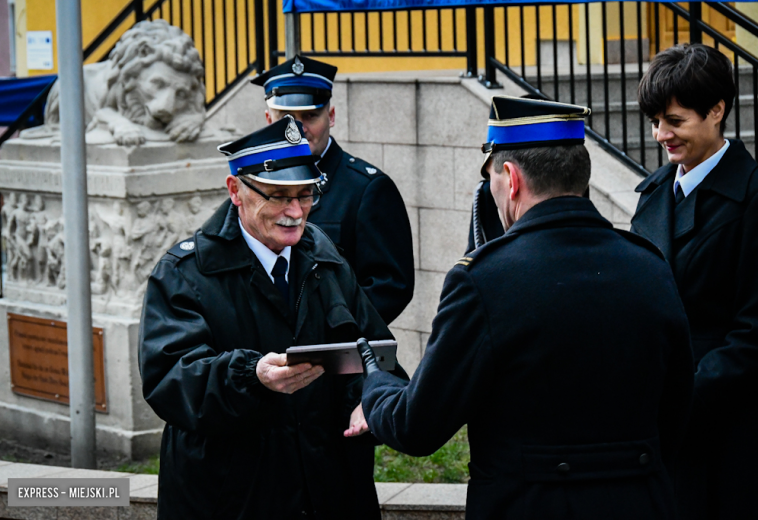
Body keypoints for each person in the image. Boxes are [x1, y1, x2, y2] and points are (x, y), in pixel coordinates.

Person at [352, 96, 695, 520]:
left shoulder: (483, 279)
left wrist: (375, 388)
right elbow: (678, 407)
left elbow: (416, 427)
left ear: (511, 179)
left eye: (491, 180)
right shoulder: (649, 264)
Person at [138, 116, 397, 519]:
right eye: (278, 196)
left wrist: (371, 398)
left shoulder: (325, 258)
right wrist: (250, 376)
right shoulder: (184, 272)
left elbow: (375, 351)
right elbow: (169, 379)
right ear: (235, 191)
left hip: (330, 491)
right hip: (233, 498)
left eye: (306, 194)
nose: (295, 211)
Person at [631, 43, 758, 520]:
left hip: (726, 427)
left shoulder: (750, 196)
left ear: (717, 110)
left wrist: (678, 399)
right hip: (659, 424)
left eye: (675, 121)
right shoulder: (655, 193)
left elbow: (751, 335)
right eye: (655, 121)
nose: (661, 134)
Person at [251, 55, 414, 325]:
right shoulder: (252, 187)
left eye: (310, 116)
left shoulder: (366, 188)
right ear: (269, 119)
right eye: (287, 118)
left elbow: (390, 287)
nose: (298, 130)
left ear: (332, 116)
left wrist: (328, 331)